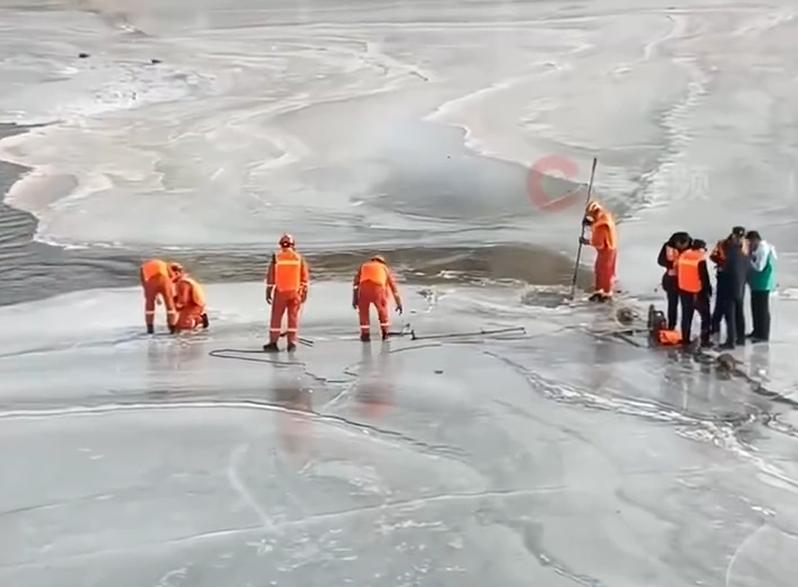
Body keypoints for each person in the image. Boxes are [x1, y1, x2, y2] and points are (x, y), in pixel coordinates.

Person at [263, 234, 309, 352]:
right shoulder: (299, 258)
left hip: (280, 292)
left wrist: (268, 290)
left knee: (276, 317)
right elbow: (304, 276)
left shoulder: (276, 257)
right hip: (295, 292)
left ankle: (273, 343)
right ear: (293, 245)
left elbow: (271, 275)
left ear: (281, 245)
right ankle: (292, 343)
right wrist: (305, 291)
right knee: (293, 318)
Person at [711, 227, 749, 349]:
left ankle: (732, 340)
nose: (739, 239)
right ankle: (739, 338)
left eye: (741, 237)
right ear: (733, 236)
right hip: (739, 284)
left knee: (731, 314)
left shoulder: (734, 251)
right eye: (738, 236)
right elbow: (714, 256)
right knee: (737, 313)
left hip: (730, 285)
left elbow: (729, 270)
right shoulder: (724, 245)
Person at [352, 255, 403, 341]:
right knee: (382, 310)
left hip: (364, 289)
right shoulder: (384, 267)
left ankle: (365, 334)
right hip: (377, 288)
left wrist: (355, 299)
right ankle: (385, 333)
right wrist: (399, 303)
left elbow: (356, 284)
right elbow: (393, 288)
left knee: (363, 312)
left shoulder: (364, 266)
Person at [676, 239, 712, 348]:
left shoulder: (683, 256)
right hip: (697, 292)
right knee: (705, 316)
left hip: (684, 290)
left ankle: (685, 339)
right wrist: (708, 291)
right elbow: (704, 278)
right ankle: (705, 340)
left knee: (686, 316)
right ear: (701, 248)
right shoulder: (699, 258)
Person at [580, 201, 618, 301]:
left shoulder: (601, 226)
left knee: (603, 271)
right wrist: (591, 224)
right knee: (606, 271)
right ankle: (602, 291)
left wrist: (586, 241)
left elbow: (599, 244)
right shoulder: (605, 218)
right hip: (612, 248)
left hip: (606, 251)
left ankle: (605, 293)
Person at [657, 231, 692, 329]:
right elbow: (660, 260)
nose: (682, 247)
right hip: (672, 280)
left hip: (687, 281)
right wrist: (672, 265)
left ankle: (686, 329)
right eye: (680, 244)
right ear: (676, 242)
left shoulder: (692, 248)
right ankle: (672, 326)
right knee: (672, 304)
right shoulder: (667, 247)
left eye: (684, 244)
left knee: (686, 306)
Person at [746, 230, 776, 342]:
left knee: (762, 309)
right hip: (756, 283)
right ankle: (756, 331)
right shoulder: (759, 249)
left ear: (755, 240)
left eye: (750, 242)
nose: (750, 245)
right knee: (755, 308)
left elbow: (759, 267)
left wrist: (748, 259)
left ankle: (763, 335)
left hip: (763, 283)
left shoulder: (763, 249)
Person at [139, 258, 178, 334]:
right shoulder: (164, 263)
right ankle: (172, 328)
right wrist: (170, 287)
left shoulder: (143, 267)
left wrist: (155, 295)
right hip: (164, 280)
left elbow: (144, 282)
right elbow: (172, 276)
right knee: (170, 305)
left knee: (149, 306)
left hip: (151, 281)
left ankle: (150, 329)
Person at [171, 263, 209, 331]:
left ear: (176, 273)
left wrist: (177, 306)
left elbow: (184, 299)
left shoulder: (183, 283)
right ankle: (198, 319)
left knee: (183, 326)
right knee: (178, 325)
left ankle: (199, 320)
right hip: (196, 304)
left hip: (193, 305)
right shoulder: (186, 280)